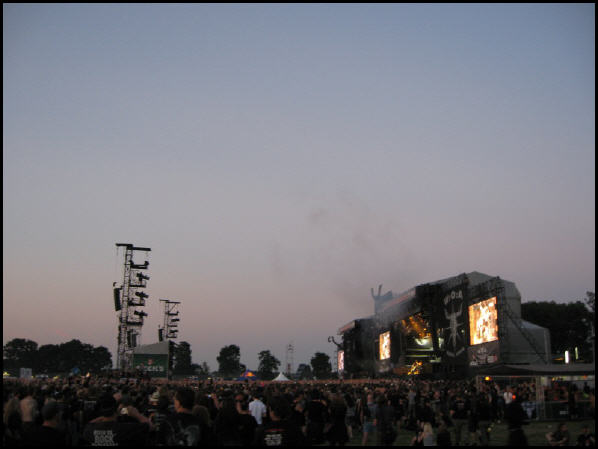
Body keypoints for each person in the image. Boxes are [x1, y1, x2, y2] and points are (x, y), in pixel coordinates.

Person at [80, 392, 151, 446]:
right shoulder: (126, 429)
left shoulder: (89, 429)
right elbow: (150, 426)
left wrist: (104, 414)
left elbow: (90, 423)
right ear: (116, 410)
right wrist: (137, 415)